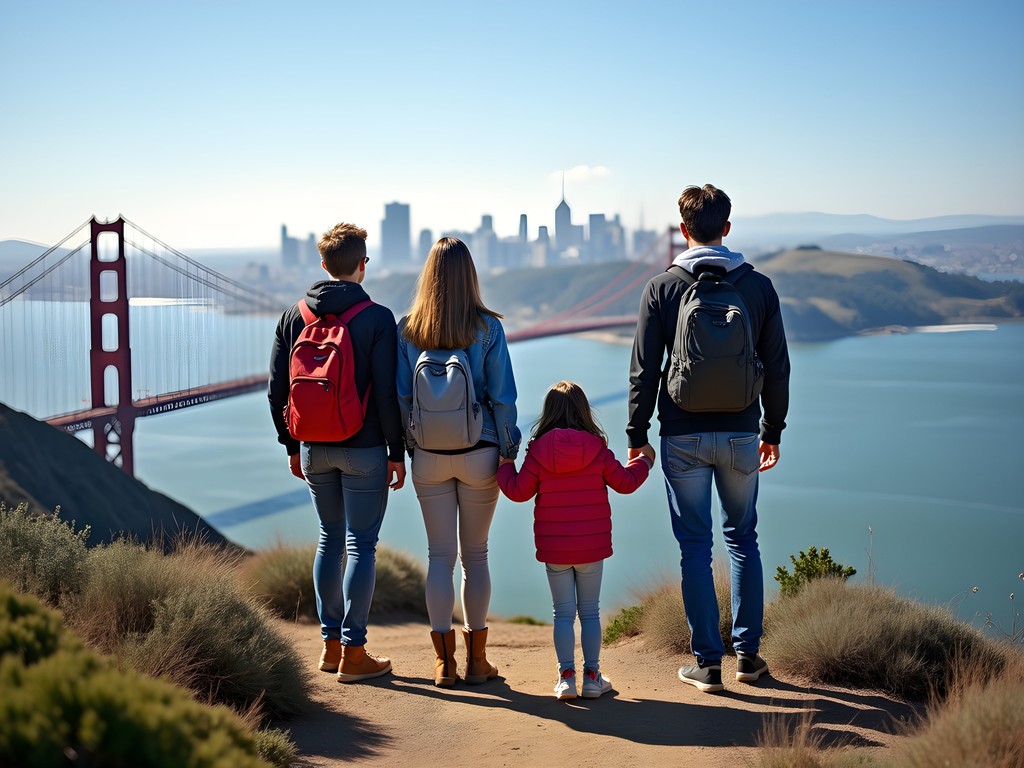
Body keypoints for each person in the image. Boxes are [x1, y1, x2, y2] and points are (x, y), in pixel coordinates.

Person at [627, 184, 791, 693]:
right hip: (742, 434)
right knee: (743, 540)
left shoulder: (662, 288)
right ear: (727, 227)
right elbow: (779, 367)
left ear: (683, 230)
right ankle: (748, 656)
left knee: (694, 547)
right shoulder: (758, 287)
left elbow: (644, 369)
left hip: (681, 437)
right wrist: (772, 429)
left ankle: (707, 664)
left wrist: (638, 433)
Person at [268, 222, 406, 683]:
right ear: (362, 265)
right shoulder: (377, 317)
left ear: (323, 265)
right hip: (364, 447)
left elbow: (277, 391)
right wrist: (396, 452)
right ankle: (354, 652)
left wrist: (292, 445)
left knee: (329, 539)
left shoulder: (293, 316)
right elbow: (387, 394)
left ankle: (329, 648)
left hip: (312, 448)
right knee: (361, 545)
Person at [396, 237, 521, 688]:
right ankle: (477, 662)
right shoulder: (488, 328)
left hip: (429, 456)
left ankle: (442, 664)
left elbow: (403, 399)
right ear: (470, 276)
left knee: (439, 558)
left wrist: (411, 450)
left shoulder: (407, 328)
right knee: (476, 557)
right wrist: (508, 449)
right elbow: (503, 397)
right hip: (480, 452)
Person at [497, 381, 654, 700]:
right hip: (591, 547)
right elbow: (625, 483)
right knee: (591, 612)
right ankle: (593, 677)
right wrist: (645, 460)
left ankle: (566, 678)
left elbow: (517, 491)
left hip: (555, 547)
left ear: (548, 413)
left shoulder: (538, 450)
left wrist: (504, 465)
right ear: (584, 411)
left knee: (563, 613)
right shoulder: (596, 448)